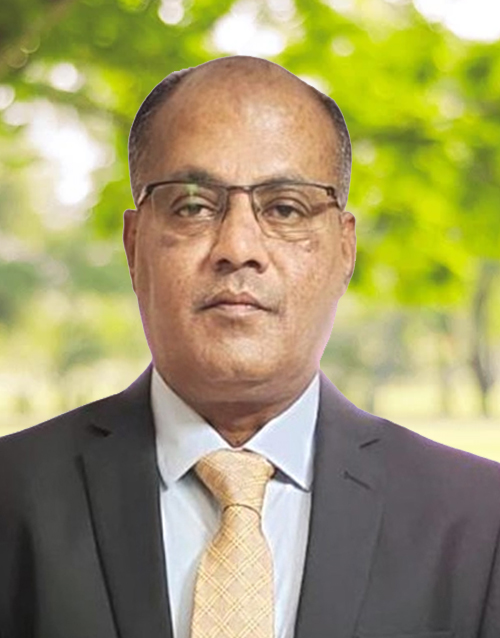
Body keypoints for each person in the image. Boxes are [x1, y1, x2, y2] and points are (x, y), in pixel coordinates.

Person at [0, 56, 499, 638]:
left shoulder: (479, 521)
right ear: (134, 246)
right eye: (193, 206)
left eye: (285, 208)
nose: (238, 248)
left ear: (344, 250)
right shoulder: (13, 497)